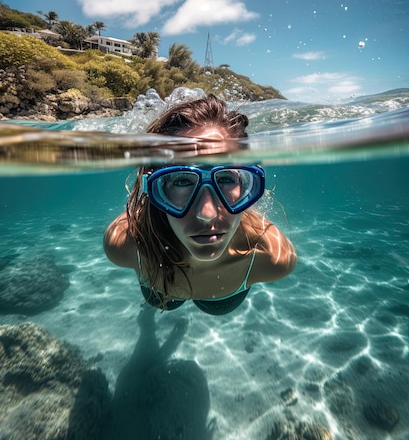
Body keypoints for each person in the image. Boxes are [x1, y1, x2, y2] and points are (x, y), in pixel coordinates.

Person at [104, 94, 297, 315]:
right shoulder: (124, 244)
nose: (207, 214)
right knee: (160, 302)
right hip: (157, 268)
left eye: (226, 179)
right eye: (182, 181)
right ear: (155, 190)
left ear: (246, 187)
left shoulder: (272, 258)